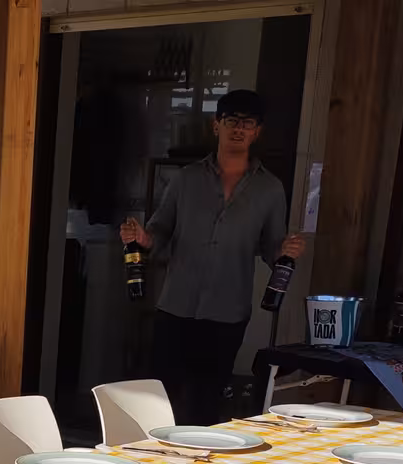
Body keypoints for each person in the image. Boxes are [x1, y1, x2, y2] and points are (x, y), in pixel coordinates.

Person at [121, 89, 304, 425]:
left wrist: (283, 251)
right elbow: (159, 230)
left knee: (206, 398)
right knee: (158, 397)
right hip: (176, 305)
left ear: (257, 132)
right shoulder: (186, 178)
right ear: (216, 125)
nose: (239, 129)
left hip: (227, 310)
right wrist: (144, 239)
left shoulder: (270, 189)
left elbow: (270, 248)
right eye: (232, 120)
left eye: (248, 123)